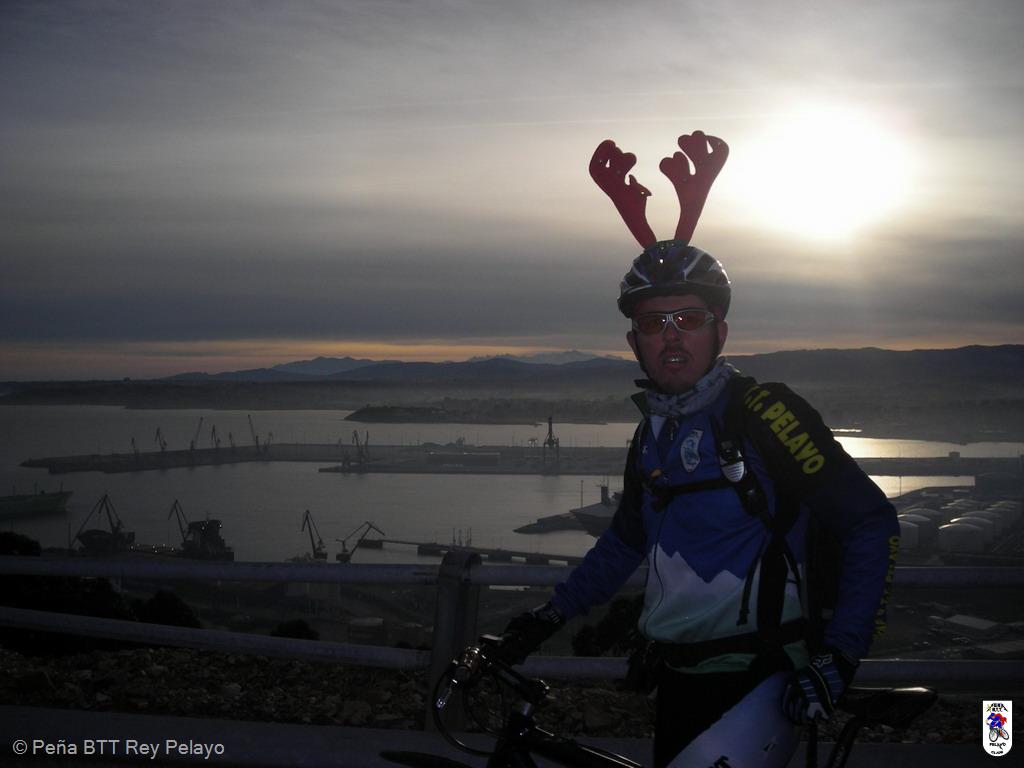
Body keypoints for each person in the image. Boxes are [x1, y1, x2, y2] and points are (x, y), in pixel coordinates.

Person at [498, 132, 900, 768]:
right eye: (652, 323)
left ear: (721, 332)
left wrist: (840, 656)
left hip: (759, 685)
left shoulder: (765, 414)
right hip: (677, 679)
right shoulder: (653, 432)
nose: (671, 337)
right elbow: (625, 542)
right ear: (633, 343)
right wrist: (547, 617)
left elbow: (871, 522)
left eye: (688, 319)